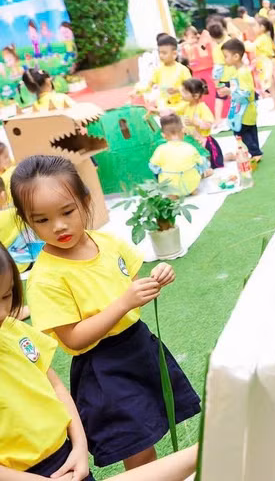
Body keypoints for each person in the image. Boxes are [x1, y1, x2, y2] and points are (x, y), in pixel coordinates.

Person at [12, 155, 201, 470]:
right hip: (104, 367)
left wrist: (157, 277)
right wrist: (124, 303)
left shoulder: (104, 241)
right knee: (138, 447)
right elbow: (73, 339)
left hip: (139, 346)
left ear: (85, 201)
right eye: (41, 220)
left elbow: (133, 283)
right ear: (27, 220)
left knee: (153, 428)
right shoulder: (46, 277)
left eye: (67, 212)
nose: (58, 226)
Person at [0, 244, 93, 480]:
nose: (2, 312)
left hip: (67, 458)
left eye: (6, 295)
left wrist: (80, 446)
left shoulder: (16, 331)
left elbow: (56, 386)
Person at [220, 38, 262, 161]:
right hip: (247, 108)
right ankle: (256, 152)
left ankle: (255, 152)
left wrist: (230, 92)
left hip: (244, 109)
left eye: (226, 56)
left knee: (240, 132)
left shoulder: (242, 72)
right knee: (251, 130)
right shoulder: (240, 71)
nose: (224, 59)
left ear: (236, 56)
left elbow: (245, 91)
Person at [149, 114, 210, 196]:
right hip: (191, 186)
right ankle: (192, 189)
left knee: (157, 168)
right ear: (183, 131)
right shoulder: (190, 147)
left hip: (171, 188)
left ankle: (172, 194)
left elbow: (152, 166)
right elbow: (202, 163)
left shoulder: (160, 149)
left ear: (163, 135)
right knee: (201, 162)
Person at [141, 34, 192, 115]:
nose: (161, 56)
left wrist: (178, 90)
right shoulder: (158, 70)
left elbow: (191, 89)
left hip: (181, 106)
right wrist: (137, 91)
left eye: (164, 53)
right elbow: (148, 86)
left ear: (174, 54)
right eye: (159, 52)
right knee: (161, 105)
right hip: (165, 105)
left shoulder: (183, 70)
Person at [180, 78, 224, 169]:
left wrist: (195, 123)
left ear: (195, 96)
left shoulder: (202, 107)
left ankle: (228, 156)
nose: (181, 94)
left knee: (212, 163)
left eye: (185, 92)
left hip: (204, 141)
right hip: (193, 140)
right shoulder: (186, 106)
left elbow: (208, 124)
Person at [248, 17, 275, 110]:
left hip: (267, 64)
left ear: (262, 27)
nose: (253, 28)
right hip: (268, 63)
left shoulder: (261, 38)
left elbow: (251, 47)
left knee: (272, 85)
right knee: (274, 85)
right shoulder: (264, 37)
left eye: (255, 26)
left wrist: (244, 43)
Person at [181, 26, 216, 113]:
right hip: (196, 74)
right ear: (185, 38)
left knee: (212, 92)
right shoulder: (185, 48)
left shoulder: (202, 45)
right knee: (202, 95)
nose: (193, 40)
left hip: (208, 72)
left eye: (195, 37)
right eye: (191, 37)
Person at [207, 20, 231, 126]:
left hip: (224, 78)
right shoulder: (230, 41)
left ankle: (218, 120)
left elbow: (218, 67)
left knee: (219, 98)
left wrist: (215, 80)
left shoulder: (217, 49)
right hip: (235, 74)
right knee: (236, 96)